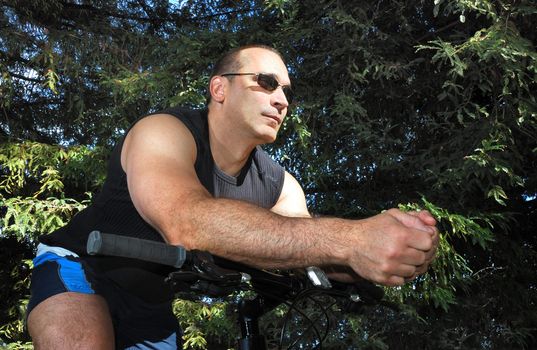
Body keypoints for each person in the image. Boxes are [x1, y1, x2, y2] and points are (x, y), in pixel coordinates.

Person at [26, 44, 439, 349]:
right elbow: (185, 221)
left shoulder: (280, 186)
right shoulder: (165, 132)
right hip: (82, 266)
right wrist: (352, 241)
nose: (281, 99)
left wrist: (384, 250)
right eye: (267, 82)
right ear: (219, 89)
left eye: (288, 92)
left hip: (151, 300)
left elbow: (308, 251)